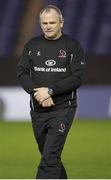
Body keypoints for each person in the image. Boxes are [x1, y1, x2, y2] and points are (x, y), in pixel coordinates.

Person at [17, 4, 86, 179]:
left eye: (52, 22)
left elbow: (77, 78)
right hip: (38, 110)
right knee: (48, 154)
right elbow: (22, 73)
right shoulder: (32, 45)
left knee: (49, 158)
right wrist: (37, 93)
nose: (48, 26)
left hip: (63, 109)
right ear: (40, 24)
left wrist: (50, 91)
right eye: (44, 23)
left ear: (61, 23)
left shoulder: (72, 46)